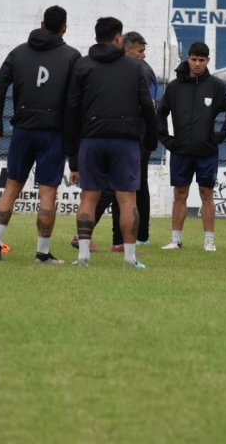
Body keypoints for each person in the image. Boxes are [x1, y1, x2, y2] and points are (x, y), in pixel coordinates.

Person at [0, 6, 80, 263]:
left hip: (23, 129)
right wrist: (74, 141)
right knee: (48, 193)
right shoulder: (72, 57)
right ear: (64, 28)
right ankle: (42, 252)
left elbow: (0, 85)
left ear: (41, 24)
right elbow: (74, 102)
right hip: (53, 133)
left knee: (11, 188)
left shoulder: (18, 52)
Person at [65, 17, 157, 269]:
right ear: (118, 38)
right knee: (127, 199)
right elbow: (147, 106)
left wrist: (72, 150)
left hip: (91, 139)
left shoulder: (82, 66)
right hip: (125, 141)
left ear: (97, 36)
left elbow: (72, 108)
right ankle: (129, 257)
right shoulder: (135, 67)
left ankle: (83, 256)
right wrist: (150, 138)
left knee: (88, 197)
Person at [157, 41, 226, 252]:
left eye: (202, 60)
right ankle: (176, 239)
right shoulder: (174, 87)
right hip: (180, 150)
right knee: (180, 193)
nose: (197, 64)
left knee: (206, 193)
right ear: (188, 59)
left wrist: (219, 136)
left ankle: (209, 240)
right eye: (194, 59)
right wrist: (166, 139)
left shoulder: (216, 86)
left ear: (208, 60)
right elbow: (160, 113)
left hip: (206, 151)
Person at [85, 32, 158, 252]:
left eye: (144, 51)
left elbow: (148, 106)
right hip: (132, 138)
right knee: (126, 189)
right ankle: (123, 240)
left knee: (118, 189)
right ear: (127, 49)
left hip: (131, 137)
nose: (144, 56)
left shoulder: (138, 70)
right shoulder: (138, 71)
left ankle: (118, 239)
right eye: (140, 51)